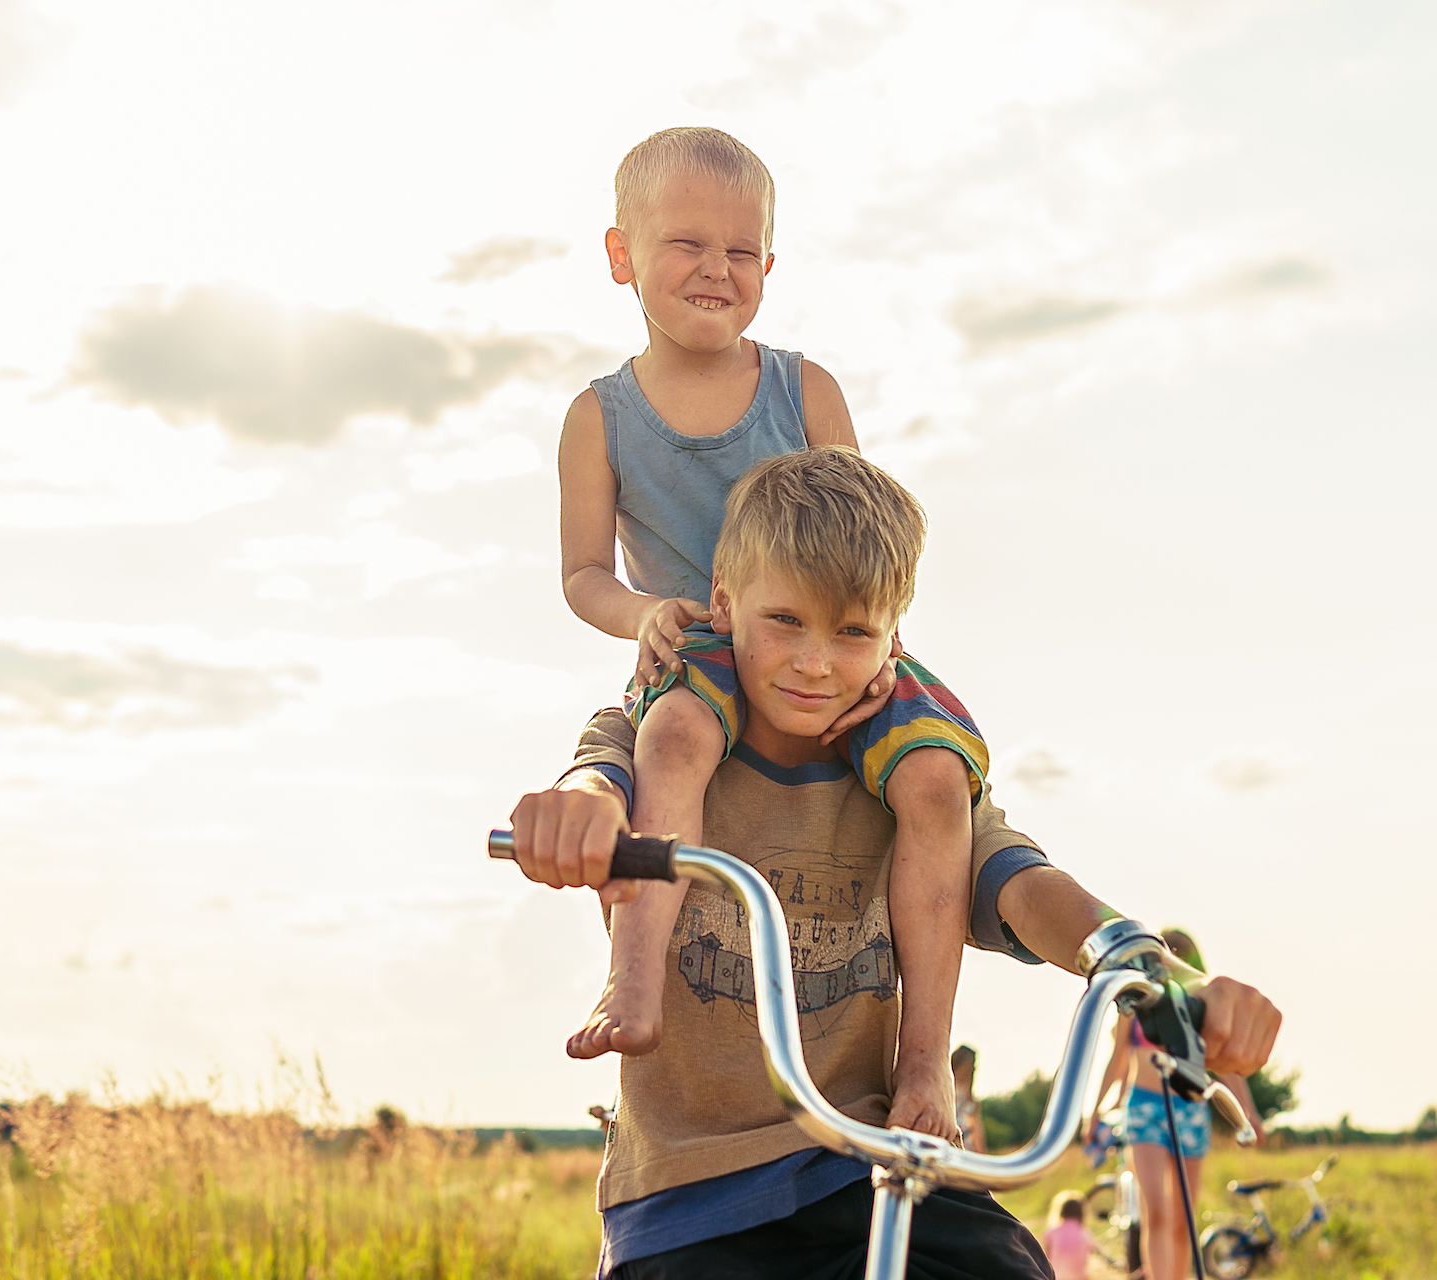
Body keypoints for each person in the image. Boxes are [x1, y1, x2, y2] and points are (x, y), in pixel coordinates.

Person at [508, 449, 1283, 1279]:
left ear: (894, 637)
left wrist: (1163, 974)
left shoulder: (910, 780)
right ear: (725, 603)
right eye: (784, 622)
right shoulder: (669, 727)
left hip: (871, 1163)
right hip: (689, 1198)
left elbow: (1028, 886)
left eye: (853, 633)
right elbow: (598, 778)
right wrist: (575, 810)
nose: (815, 663)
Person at [555, 126, 983, 1141]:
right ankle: (638, 975)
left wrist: (877, 652)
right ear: (622, 256)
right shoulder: (601, 415)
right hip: (699, 640)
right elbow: (581, 573)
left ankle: (924, 1061)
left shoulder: (804, 387)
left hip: (831, 641)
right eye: (686, 244)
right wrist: (641, 615)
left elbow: (867, 537)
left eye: (742, 252)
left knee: (935, 779)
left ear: (769, 269)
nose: (717, 269)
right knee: (671, 743)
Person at [1091, 927, 1266, 1280]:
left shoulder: (1200, 1009)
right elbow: (1117, 1059)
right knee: (1155, 1212)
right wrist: (1095, 1111)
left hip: (1190, 1110)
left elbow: (1225, 1067)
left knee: (1183, 1216)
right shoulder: (1136, 1000)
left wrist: (1250, 1114)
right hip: (1143, 1109)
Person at [1041, 1193, 1094, 1280]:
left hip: (1056, 1277)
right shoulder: (1085, 1233)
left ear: (1061, 1213)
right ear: (1081, 1215)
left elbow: (1044, 1257)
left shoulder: (1051, 1232)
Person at [952, 1045, 984, 1153]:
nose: (974, 1068)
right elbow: (977, 1134)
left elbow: (977, 1133)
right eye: (973, 1064)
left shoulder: (969, 1098)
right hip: (959, 1150)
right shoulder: (967, 1098)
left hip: (959, 1149)